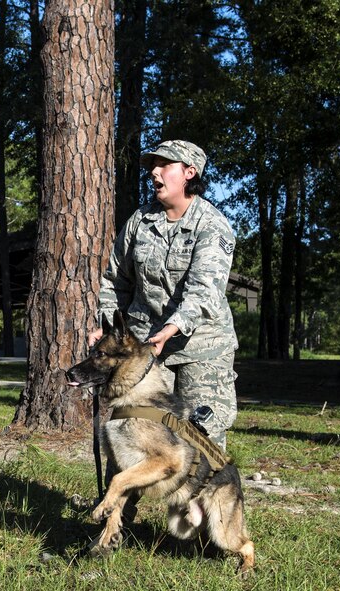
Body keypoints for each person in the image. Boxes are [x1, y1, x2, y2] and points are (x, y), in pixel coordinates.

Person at [90, 139, 239, 451]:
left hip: (202, 346)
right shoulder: (140, 222)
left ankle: (203, 501)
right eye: (151, 166)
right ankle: (121, 500)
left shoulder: (212, 226)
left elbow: (204, 292)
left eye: (164, 165)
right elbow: (117, 280)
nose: (154, 172)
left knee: (201, 435)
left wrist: (171, 329)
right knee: (136, 427)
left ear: (189, 172)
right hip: (147, 347)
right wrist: (107, 330)